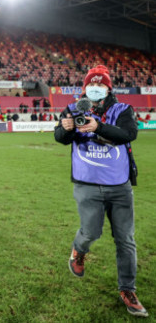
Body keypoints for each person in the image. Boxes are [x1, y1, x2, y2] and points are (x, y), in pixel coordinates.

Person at [54, 65, 148, 318]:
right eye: (91, 85)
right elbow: (60, 137)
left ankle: (128, 289)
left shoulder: (122, 109)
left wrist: (97, 127)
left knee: (126, 240)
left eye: (101, 85)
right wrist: (66, 128)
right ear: (84, 88)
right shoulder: (73, 108)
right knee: (90, 231)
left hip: (120, 186)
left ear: (108, 88)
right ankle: (79, 250)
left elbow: (129, 134)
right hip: (87, 185)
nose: (95, 89)